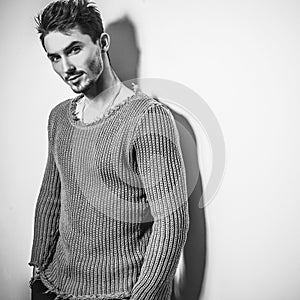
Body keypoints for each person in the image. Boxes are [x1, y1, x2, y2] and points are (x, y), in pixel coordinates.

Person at [28, 0, 190, 299]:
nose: (66, 68)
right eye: (54, 57)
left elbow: (172, 222)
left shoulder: (147, 119)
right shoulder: (59, 117)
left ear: (102, 42)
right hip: (56, 285)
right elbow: (51, 196)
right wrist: (38, 269)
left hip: (121, 291)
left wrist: (143, 296)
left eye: (74, 49)